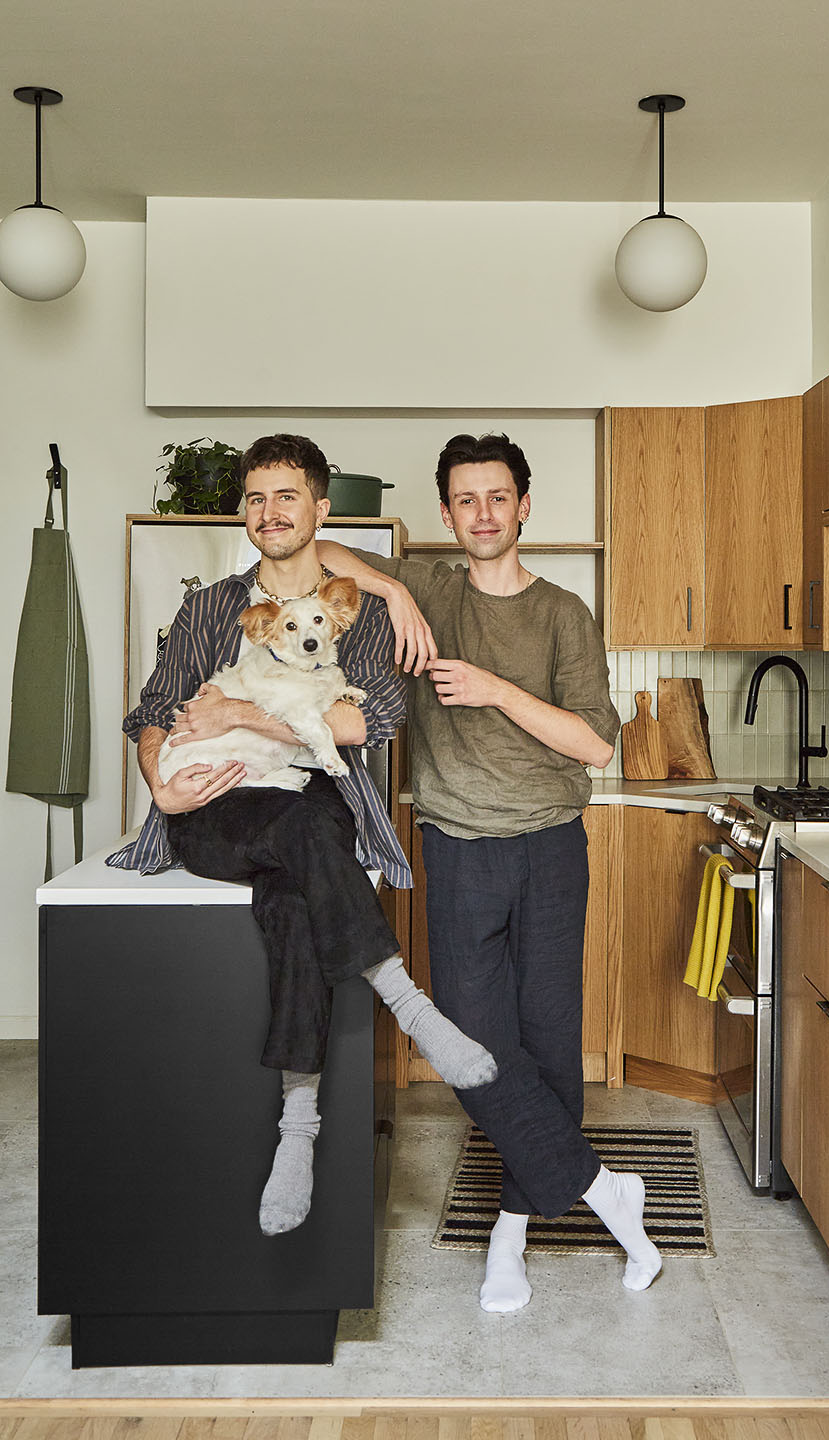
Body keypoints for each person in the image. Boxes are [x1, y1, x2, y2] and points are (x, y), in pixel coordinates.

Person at [108, 433, 496, 1237]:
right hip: (212, 802)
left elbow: (370, 722)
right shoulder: (211, 608)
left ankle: (299, 1128)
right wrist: (162, 786)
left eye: (287, 496)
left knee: (293, 890)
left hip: (310, 795)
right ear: (243, 514)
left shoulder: (361, 611)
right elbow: (155, 709)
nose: (269, 512)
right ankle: (411, 1007)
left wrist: (249, 713)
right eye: (255, 498)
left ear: (322, 509)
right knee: (299, 835)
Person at [317, 432, 662, 1312]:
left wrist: (497, 689)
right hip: (458, 848)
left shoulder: (563, 614)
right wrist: (392, 583)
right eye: (465, 500)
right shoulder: (425, 591)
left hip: (550, 846)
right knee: (471, 1040)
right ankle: (602, 1189)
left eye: (498, 497)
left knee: (547, 1044)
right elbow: (306, 544)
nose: (482, 514)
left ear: (524, 506)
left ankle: (510, 1229)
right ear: (445, 514)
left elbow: (595, 744)